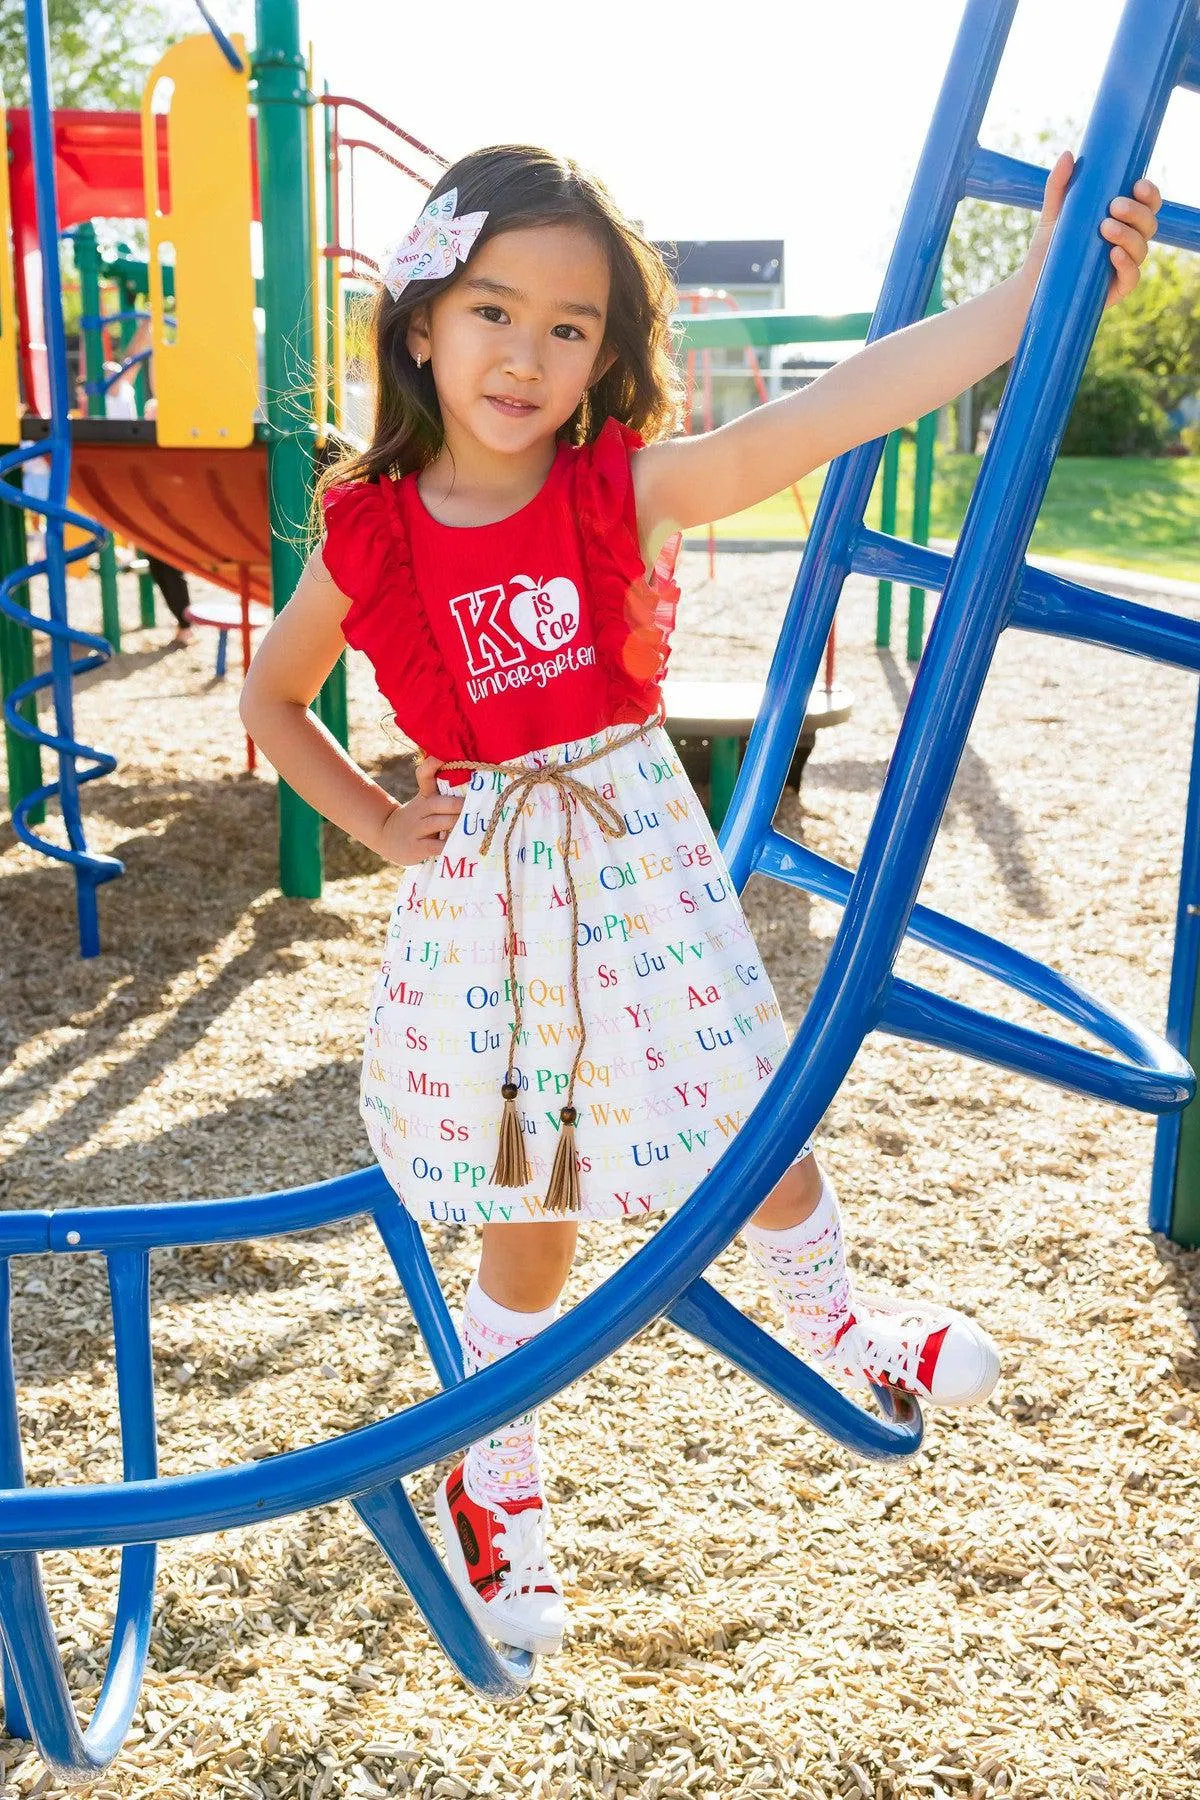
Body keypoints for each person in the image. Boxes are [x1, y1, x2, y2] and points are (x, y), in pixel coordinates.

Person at [239, 146, 1160, 1658]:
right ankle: (499, 1455)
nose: (526, 354)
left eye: (570, 326)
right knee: (532, 1179)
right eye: (491, 310)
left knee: (745, 1102)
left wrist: (1030, 294)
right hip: (497, 917)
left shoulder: (621, 493)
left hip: (637, 873)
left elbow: (831, 410)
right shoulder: (376, 534)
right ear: (419, 325)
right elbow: (276, 702)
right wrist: (380, 823)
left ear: (606, 355)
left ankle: (838, 1320)